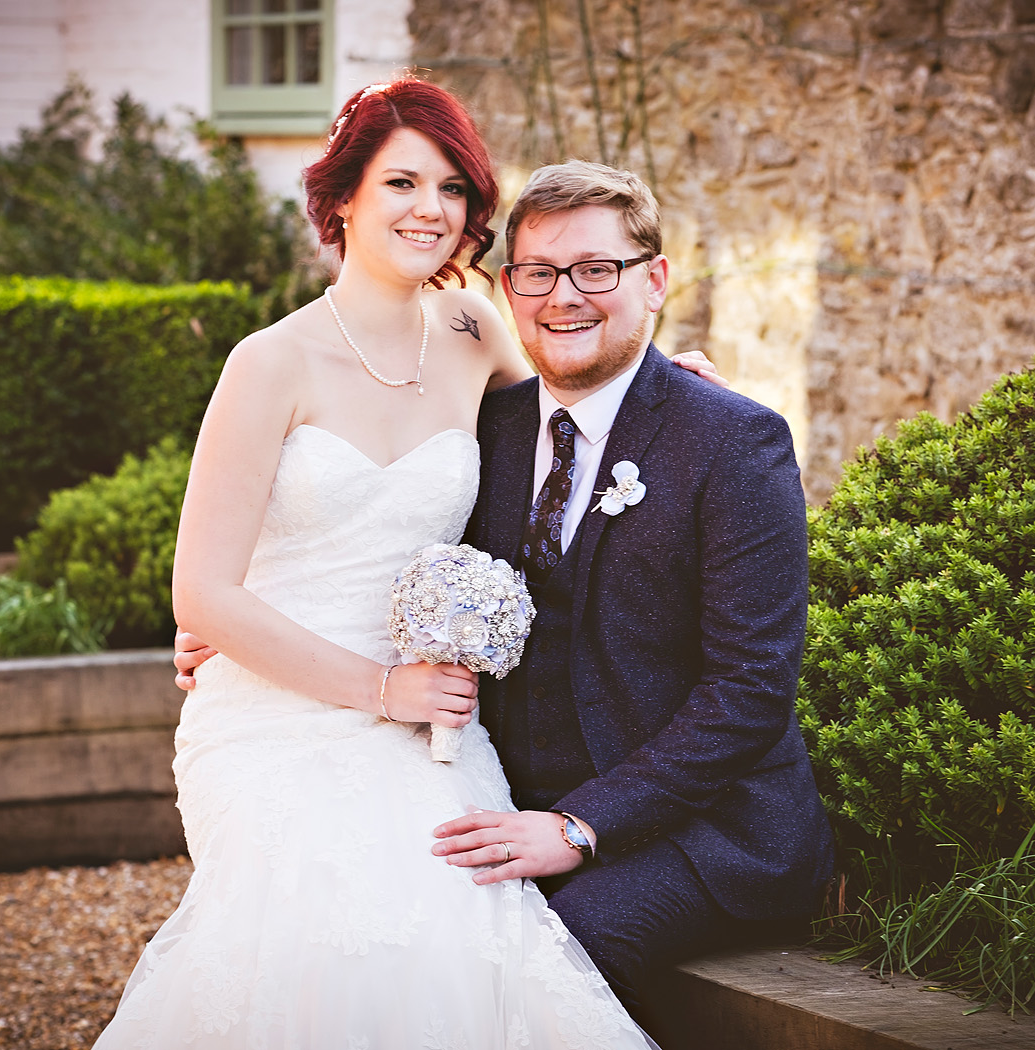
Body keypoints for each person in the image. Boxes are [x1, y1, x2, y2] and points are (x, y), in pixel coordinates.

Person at [94, 78, 717, 1049]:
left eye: (451, 187)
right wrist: (382, 687)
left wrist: (688, 392)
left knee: (466, 913)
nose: (430, 209)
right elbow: (202, 591)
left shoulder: (472, 331)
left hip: (434, 714)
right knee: (324, 923)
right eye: (400, 182)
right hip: (277, 707)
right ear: (342, 197)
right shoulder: (269, 363)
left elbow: (579, 403)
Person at [175, 155, 834, 1030]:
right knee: (389, 926)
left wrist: (575, 829)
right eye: (538, 274)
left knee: (525, 957)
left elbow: (748, 695)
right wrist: (242, 622)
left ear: (655, 280)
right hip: (505, 792)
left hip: (709, 833)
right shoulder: (494, 427)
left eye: (597, 270)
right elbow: (385, 536)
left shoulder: (733, 444)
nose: (564, 296)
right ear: (507, 290)